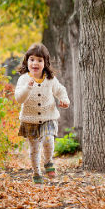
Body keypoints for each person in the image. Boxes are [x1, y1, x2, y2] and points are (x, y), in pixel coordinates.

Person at [15, 43, 70, 184]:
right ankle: (36, 173)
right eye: (32, 59)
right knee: (34, 149)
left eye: (39, 60)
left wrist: (64, 100)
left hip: (48, 117)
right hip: (30, 119)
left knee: (48, 139)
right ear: (26, 62)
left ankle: (48, 161)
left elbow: (60, 90)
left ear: (45, 63)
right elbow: (19, 99)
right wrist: (27, 88)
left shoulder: (50, 79)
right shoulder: (23, 80)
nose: (35, 63)